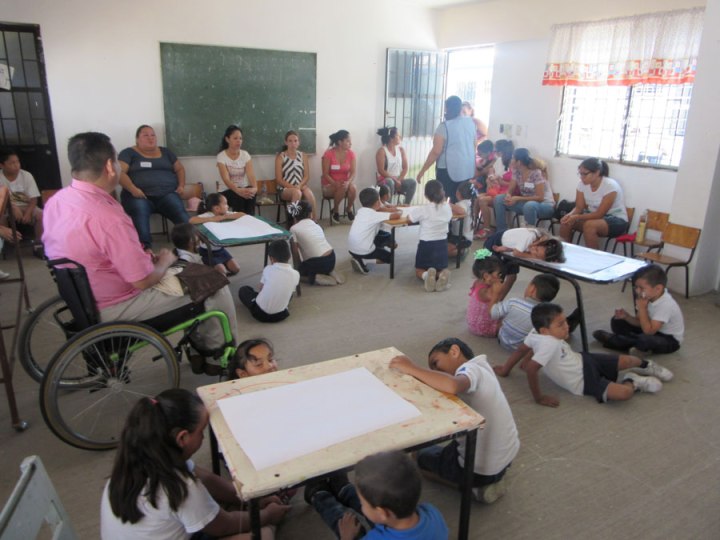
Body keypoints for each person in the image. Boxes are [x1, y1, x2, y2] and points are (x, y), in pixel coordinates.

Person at [43, 132, 238, 361]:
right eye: (116, 160)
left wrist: (141, 257)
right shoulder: (108, 217)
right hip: (117, 306)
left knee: (193, 272)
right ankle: (216, 353)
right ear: (109, 166)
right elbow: (143, 281)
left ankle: (201, 347)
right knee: (214, 281)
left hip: (83, 295)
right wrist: (164, 261)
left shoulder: (58, 201)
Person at [100, 388, 290, 539]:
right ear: (182, 437)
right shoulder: (182, 487)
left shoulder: (138, 462)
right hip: (204, 524)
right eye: (201, 431)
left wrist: (249, 498)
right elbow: (224, 526)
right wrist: (267, 516)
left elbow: (205, 477)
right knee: (262, 534)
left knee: (219, 505)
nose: (203, 436)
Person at [390, 338, 519, 504]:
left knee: (419, 458)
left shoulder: (470, 369)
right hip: (507, 456)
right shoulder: (484, 367)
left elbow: (452, 386)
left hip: (479, 470)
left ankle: (474, 490)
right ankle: (487, 480)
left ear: (454, 351)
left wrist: (412, 368)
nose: (437, 371)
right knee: (447, 447)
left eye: (436, 363)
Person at [495, 303, 674, 407]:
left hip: (584, 359)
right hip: (583, 381)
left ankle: (647, 366)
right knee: (624, 393)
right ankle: (633, 381)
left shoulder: (536, 333)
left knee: (630, 359)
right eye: (560, 324)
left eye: (565, 321)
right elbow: (533, 369)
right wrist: (539, 398)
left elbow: (523, 349)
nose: (567, 327)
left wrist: (505, 369)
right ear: (544, 330)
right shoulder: (548, 343)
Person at [304, 451, 448, 540]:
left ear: (382, 513)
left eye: (362, 503)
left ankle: (318, 495)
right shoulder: (432, 512)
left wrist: (346, 537)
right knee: (377, 494)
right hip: (395, 525)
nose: (361, 505)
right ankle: (343, 489)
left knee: (347, 524)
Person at [118, 125, 189, 249]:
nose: (150, 138)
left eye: (153, 135)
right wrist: (133, 189)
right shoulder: (128, 153)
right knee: (139, 212)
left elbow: (180, 169)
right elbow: (120, 172)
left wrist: (181, 185)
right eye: (145, 135)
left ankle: (191, 243)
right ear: (137, 139)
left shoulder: (166, 152)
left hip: (167, 194)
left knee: (181, 215)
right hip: (139, 196)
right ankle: (145, 248)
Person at [593, 264, 684, 355]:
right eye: (636, 287)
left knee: (645, 339)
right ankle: (635, 345)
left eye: (641, 288)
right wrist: (626, 317)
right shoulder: (645, 297)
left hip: (669, 340)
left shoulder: (665, 304)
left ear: (658, 289)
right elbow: (639, 322)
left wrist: (642, 308)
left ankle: (616, 341)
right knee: (617, 321)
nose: (637, 291)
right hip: (648, 330)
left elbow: (649, 331)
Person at [559, 158, 629, 250]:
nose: (581, 177)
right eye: (580, 174)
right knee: (566, 222)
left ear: (597, 173)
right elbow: (579, 207)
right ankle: (563, 253)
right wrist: (570, 215)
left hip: (616, 220)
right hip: (592, 217)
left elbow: (600, 214)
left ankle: (593, 259)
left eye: (585, 174)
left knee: (590, 226)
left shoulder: (610, 186)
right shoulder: (581, 184)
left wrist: (576, 217)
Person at [416, 95, 476, 203]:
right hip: (466, 170)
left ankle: (444, 219)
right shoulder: (470, 123)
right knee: (462, 201)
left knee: (441, 200)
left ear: (447, 108)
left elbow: (436, 151)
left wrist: (422, 171)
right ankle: (460, 219)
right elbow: (474, 146)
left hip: (447, 170)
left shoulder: (444, 126)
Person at [407, 180, 462, 292]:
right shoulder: (447, 208)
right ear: (442, 193)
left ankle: (426, 276)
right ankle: (441, 275)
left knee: (419, 269)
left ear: (426, 195)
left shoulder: (423, 209)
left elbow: (409, 219)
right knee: (441, 267)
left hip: (426, 244)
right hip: (442, 245)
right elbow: (456, 215)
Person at [482, 227, 565, 297]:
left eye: (537, 254)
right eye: (536, 249)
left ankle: (497, 302)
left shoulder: (539, 241)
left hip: (508, 248)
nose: (533, 251)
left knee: (512, 277)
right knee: (494, 278)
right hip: (495, 242)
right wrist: (535, 257)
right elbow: (517, 253)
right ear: (542, 241)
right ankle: (486, 302)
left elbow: (516, 249)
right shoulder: (530, 236)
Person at [492, 273, 560, 351]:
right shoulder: (546, 315)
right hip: (522, 350)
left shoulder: (514, 302)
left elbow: (493, 313)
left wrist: (495, 294)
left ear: (532, 289)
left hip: (502, 340)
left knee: (502, 313)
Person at [493, 148, 555, 233]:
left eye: (513, 158)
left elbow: (540, 197)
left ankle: (528, 237)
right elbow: (510, 188)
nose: (511, 160)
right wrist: (508, 195)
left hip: (545, 206)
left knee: (529, 205)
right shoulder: (516, 171)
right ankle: (501, 232)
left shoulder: (536, 173)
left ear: (519, 162)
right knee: (499, 199)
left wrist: (517, 198)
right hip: (526, 204)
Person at [238, 239, 299, 323]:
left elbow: (261, 288)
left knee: (244, 290)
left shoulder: (268, 269)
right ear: (289, 256)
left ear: (271, 258)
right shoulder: (296, 274)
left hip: (261, 315)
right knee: (288, 293)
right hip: (282, 315)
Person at [288, 200, 344, 286]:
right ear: (310, 214)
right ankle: (329, 271)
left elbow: (295, 254)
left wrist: (298, 270)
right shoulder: (316, 225)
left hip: (317, 263)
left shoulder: (293, 229)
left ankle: (315, 279)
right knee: (319, 263)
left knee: (297, 275)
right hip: (332, 257)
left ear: (294, 216)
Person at [348, 187, 402, 275]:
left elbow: (381, 211)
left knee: (382, 234)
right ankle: (364, 261)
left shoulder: (360, 211)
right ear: (378, 202)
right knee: (390, 258)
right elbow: (396, 215)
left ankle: (360, 256)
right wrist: (400, 211)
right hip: (364, 251)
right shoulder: (374, 215)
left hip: (352, 249)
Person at [0, 149, 43, 255]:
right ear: (2, 165)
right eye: (12, 163)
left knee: (42, 215)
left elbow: (34, 199)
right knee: (1, 217)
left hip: (27, 206)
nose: (16, 165)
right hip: (5, 207)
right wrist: (13, 207)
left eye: (17, 162)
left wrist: (28, 213)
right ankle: (6, 245)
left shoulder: (26, 175)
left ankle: (38, 246)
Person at [189, 193, 242, 276]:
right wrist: (212, 219)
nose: (227, 206)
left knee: (236, 269)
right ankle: (211, 266)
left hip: (220, 249)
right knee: (222, 273)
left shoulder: (225, 213)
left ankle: (219, 265)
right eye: (225, 204)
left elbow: (242, 215)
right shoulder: (209, 214)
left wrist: (225, 217)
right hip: (207, 251)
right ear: (217, 208)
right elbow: (192, 220)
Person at [474, 139, 514, 239]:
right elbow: (491, 174)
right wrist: (490, 180)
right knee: (476, 197)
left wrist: (501, 182)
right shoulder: (499, 161)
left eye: (496, 151)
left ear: (501, 152)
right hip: (497, 189)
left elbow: (515, 185)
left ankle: (487, 229)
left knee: (482, 200)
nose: (494, 153)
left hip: (507, 192)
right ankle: (474, 224)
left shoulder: (513, 163)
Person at [216, 125, 258, 215]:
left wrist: (255, 188)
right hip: (226, 190)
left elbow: (251, 174)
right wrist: (238, 191)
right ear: (227, 139)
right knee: (238, 197)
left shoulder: (245, 155)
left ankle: (250, 220)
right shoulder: (221, 156)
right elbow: (226, 179)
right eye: (235, 138)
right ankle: (239, 223)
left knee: (251, 194)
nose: (239, 141)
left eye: (240, 138)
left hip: (242, 188)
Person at [275, 130, 317, 221]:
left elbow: (306, 176)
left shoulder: (303, 155)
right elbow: (279, 179)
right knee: (297, 193)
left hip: (300, 185)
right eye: (290, 141)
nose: (293, 143)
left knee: (310, 195)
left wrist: (299, 185)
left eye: (295, 141)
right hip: (285, 188)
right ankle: (294, 222)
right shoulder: (281, 156)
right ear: (286, 142)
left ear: (298, 142)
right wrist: (294, 187)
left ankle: (314, 222)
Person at [322, 130, 357, 224]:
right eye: (348, 141)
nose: (351, 143)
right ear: (340, 142)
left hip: (344, 183)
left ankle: (348, 209)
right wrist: (334, 183)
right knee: (341, 186)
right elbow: (325, 173)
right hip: (329, 184)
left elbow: (353, 172)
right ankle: (336, 211)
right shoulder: (329, 153)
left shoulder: (351, 154)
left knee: (353, 188)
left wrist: (349, 182)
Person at [375, 127, 417, 205]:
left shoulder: (401, 150)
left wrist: (399, 180)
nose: (400, 137)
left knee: (412, 182)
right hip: (385, 181)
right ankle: (388, 207)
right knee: (390, 182)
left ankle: (406, 205)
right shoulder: (381, 151)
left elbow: (405, 168)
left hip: (398, 180)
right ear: (391, 138)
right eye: (398, 135)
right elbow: (381, 170)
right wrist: (395, 180)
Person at [466, 251, 504, 337]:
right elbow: (493, 312)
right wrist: (497, 293)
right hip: (483, 328)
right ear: (486, 276)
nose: (500, 277)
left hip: (472, 323)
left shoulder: (477, 282)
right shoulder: (490, 291)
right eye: (498, 274)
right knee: (512, 322)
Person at [448, 181, 474, 258]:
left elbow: (462, 211)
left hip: (462, 238)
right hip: (462, 237)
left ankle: (462, 251)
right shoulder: (469, 202)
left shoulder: (463, 203)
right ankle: (458, 249)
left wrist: (448, 204)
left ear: (457, 193)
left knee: (442, 252)